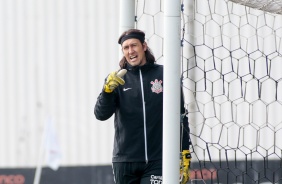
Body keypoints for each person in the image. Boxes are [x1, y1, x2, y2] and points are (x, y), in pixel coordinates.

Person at [94, 28, 191, 184]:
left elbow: (180, 116)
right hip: (125, 162)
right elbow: (100, 114)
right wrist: (107, 91)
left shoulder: (165, 74)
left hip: (158, 160)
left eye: (134, 45)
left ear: (144, 46)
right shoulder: (117, 79)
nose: (130, 51)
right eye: (126, 48)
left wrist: (184, 152)